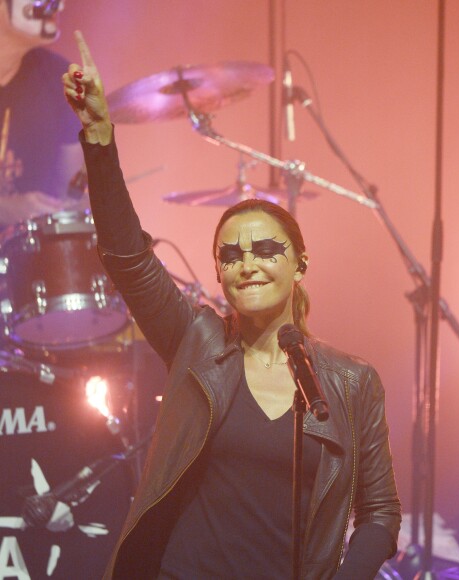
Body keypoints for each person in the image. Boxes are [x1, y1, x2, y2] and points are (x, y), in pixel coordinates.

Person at [62, 31, 401, 580]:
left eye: (267, 249)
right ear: (219, 273)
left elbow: (380, 511)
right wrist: (99, 136)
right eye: (230, 254)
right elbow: (127, 255)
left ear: (300, 264)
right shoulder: (196, 341)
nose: (248, 263)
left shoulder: (351, 382)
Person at [0, 0, 85, 229]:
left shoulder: (59, 78)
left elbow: (75, 187)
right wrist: (6, 209)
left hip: (28, 255)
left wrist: (74, 202)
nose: (57, 6)